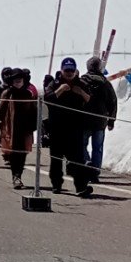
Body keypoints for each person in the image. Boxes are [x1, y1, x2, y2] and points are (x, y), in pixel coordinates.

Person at [44, 58, 96, 196]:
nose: (69, 73)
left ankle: (81, 187)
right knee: (56, 159)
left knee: (77, 159)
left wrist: (81, 93)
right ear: (62, 70)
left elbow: (92, 102)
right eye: (66, 70)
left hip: (75, 127)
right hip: (57, 127)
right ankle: (56, 185)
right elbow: (47, 100)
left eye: (71, 70)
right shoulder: (54, 83)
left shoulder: (81, 84)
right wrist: (60, 90)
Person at [0, 67, 39, 189]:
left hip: (25, 128)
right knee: (13, 154)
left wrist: (35, 126)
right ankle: (15, 176)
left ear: (24, 81)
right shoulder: (7, 93)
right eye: (15, 80)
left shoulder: (29, 94)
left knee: (22, 154)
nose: (18, 83)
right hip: (11, 128)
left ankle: (18, 175)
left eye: (20, 80)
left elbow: (34, 112)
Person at [81, 55, 118, 179]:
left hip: (84, 120)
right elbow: (113, 102)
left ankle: (87, 163)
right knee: (98, 148)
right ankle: (95, 171)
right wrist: (111, 120)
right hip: (100, 121)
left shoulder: (82, 81)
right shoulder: (105, 83)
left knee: (81, 145)